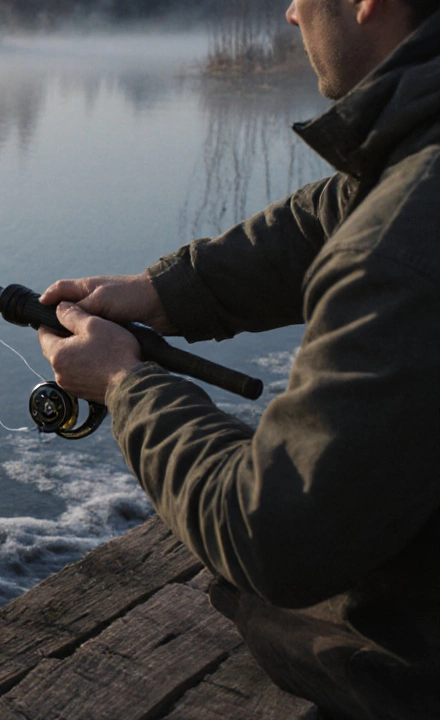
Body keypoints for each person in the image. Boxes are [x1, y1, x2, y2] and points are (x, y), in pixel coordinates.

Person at [34, 1, 440, 718]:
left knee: (256, 595)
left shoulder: (405, 246)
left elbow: (271, 533)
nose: (289, 12)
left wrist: (125, 384)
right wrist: (164, 293)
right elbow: (342, 209)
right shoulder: (415, 154)